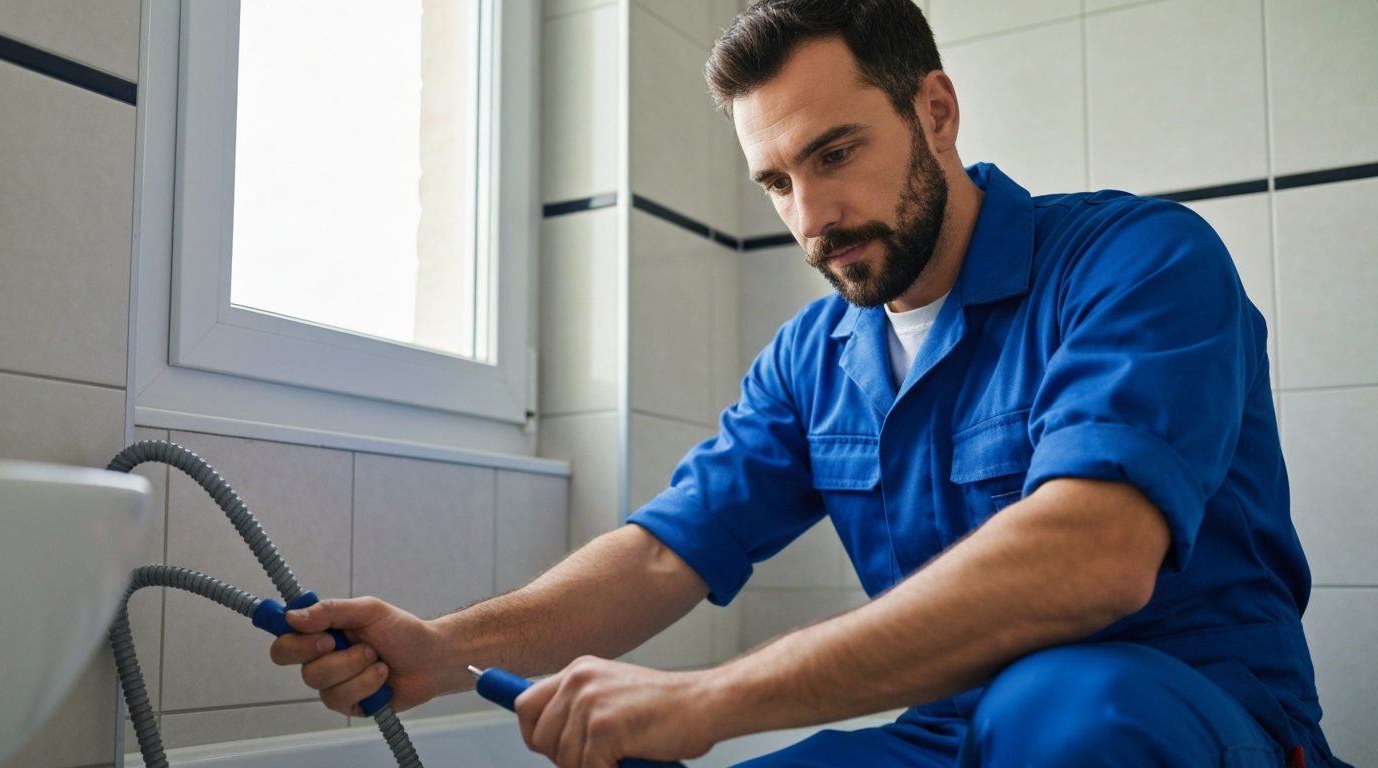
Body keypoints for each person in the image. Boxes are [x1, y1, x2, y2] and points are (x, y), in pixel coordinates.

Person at [271, 2, 1349, 766]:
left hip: (1182, 721)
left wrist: (712, 698)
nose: (809, 216)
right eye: (777, 180)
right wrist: (446, 649)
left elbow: (1093, 558)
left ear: (935, 110)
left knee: (1064, 709)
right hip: (949, 733)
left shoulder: (1136, 262)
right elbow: (662, 553)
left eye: (835, 154)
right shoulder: (815, 357)